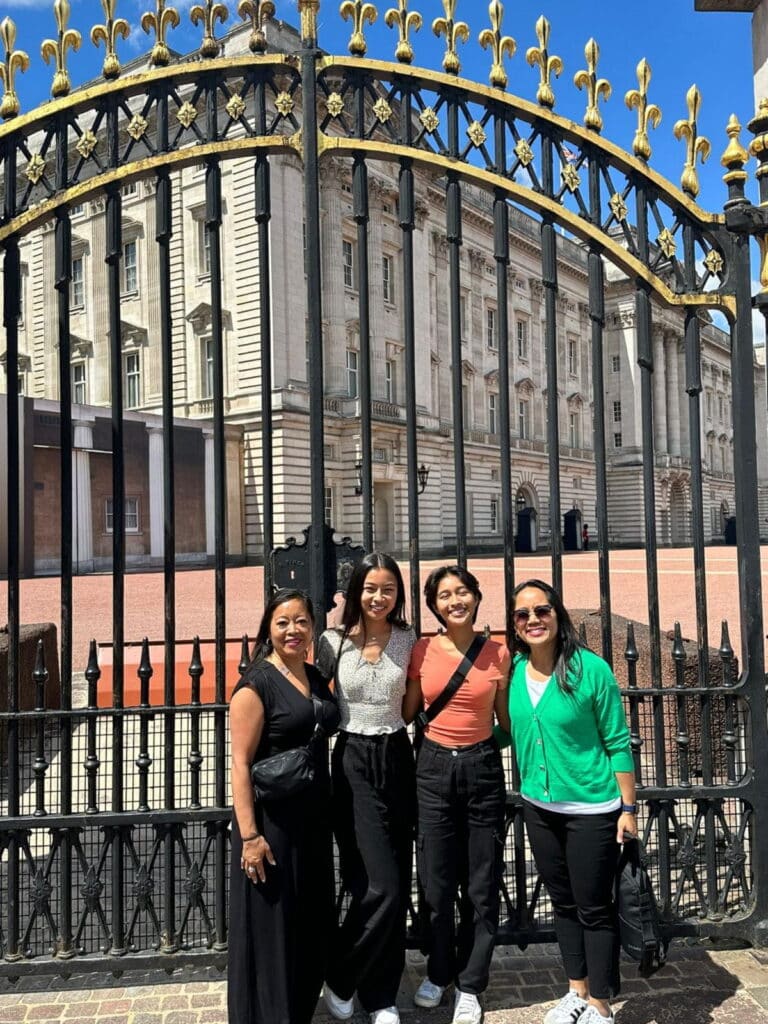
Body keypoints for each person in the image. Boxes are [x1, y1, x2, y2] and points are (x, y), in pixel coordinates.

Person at [504, 578, 636, 1024]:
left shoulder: (590, 670)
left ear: (557, 615)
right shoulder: (515, 671)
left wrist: (628, 808)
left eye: (542, 610)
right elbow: (507, 730)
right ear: (514, 625)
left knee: (593, 907)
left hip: (591, 808)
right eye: (523, 614)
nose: (533, 620)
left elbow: (617, 741)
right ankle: (576, 990)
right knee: (563, 903)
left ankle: (601, 1002)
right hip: (539, 807)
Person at [404, 565, 511, 1024]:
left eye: (462, 592)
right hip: (432, 766)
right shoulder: (422, 650)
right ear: (434, 605)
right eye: (445, 595)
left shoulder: (498, 653)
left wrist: (484, 750)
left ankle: (471, 983)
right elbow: (407, 710)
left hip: (481, 765)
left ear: (476, 597)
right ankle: (438, 971)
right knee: (436, 880)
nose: (455, 601)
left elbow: (507, 720)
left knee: (482, 882)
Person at [228, 589, 340, 1024]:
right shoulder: (256, 684)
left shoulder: (311, 675)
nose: (293, 630)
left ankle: (298, 1008)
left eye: (302, 622)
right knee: (272, 925)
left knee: (306, 918)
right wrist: (250, 836)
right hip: (272, 824)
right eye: (283, 622)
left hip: (312, 820)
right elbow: (240, 764)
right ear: (268, 630)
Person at [315, 553, 418, 1024]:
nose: (379, 597)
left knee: (395, 876)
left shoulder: (408, 638)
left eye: (388, 589)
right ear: (356, 590)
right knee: (379, 885)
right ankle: (341, 973)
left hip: (396, 754)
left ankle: (381, 996)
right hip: (352, 758)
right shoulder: (332, 641)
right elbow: (312, 697)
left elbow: (413, 704)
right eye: (371, 588)